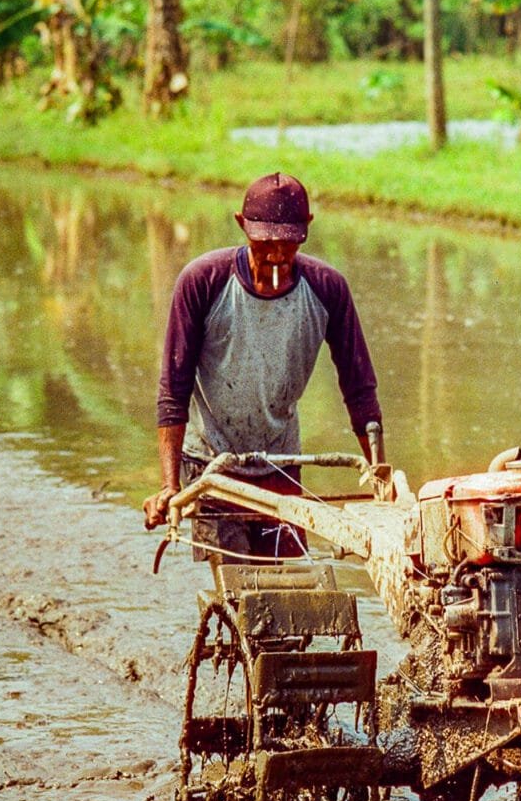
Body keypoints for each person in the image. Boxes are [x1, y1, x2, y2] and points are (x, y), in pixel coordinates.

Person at [142, 172, 383, 562]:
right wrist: (170, 485)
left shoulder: (327, 288)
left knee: (291, 582)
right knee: (241, 588)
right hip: (212, 467)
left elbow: (359, 388)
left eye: (289, 243)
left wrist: (378, 474)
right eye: (264, 243)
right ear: (242, 226)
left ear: (307, 229)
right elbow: (174, 389)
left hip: (281, 461)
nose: (276, 255)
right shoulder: (203, 282)